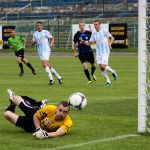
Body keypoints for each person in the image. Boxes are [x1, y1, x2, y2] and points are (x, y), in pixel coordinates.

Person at [4, 89, 72, 139]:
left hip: (30, 127)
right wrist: (39, 129)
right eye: (60, 110)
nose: (61, 113)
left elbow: (58, 133)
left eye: (64, 112)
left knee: (7, 114)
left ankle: (12, 103)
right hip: (34, 113)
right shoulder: (50, 108)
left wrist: (46, 134)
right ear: (57, 109)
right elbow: (36, 116)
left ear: (68, 113)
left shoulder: (68, 121)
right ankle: (39, 103)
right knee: (15, 98)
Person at [82, 20, 118, 86]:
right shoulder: (94, 34)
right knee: (101, 68)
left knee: (102, 66)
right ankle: (109, 82)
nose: (95, 26)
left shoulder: (104, 31)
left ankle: (113, 71)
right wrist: (84, 42)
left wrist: (110, 43)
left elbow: (112, 38)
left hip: (105, 50)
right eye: (94, 24)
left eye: (96, 24)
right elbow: (89, 43)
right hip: (98, 52)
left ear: (99, 25)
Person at [31, 21, 63, 85]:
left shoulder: (46, 32)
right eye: (38, 25)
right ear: (36, 26)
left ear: (42, 26)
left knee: (43, 63)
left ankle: (51, 79)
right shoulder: (35, 34)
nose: (39, 26)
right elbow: (33, 42)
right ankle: (59, 77)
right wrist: (32, 43)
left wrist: (51, 43)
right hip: (40, 51)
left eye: (40, 25)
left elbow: (52, 38)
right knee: (47, 65)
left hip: (46, 50)